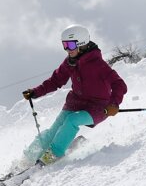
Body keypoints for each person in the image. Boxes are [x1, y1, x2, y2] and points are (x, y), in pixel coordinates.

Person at [21, 25, 127, 166]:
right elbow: (55, 80)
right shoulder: (69, 62)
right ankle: (27, 159)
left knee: (72, 120)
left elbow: (119, 84)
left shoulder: (98, 65)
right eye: (64, 45)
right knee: (53, 131)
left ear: (81, 43)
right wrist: (35, 91)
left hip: (98, 108)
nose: (67, 49)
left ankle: (53, 154)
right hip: (75, 103)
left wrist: (114, 104)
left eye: (70, 45)